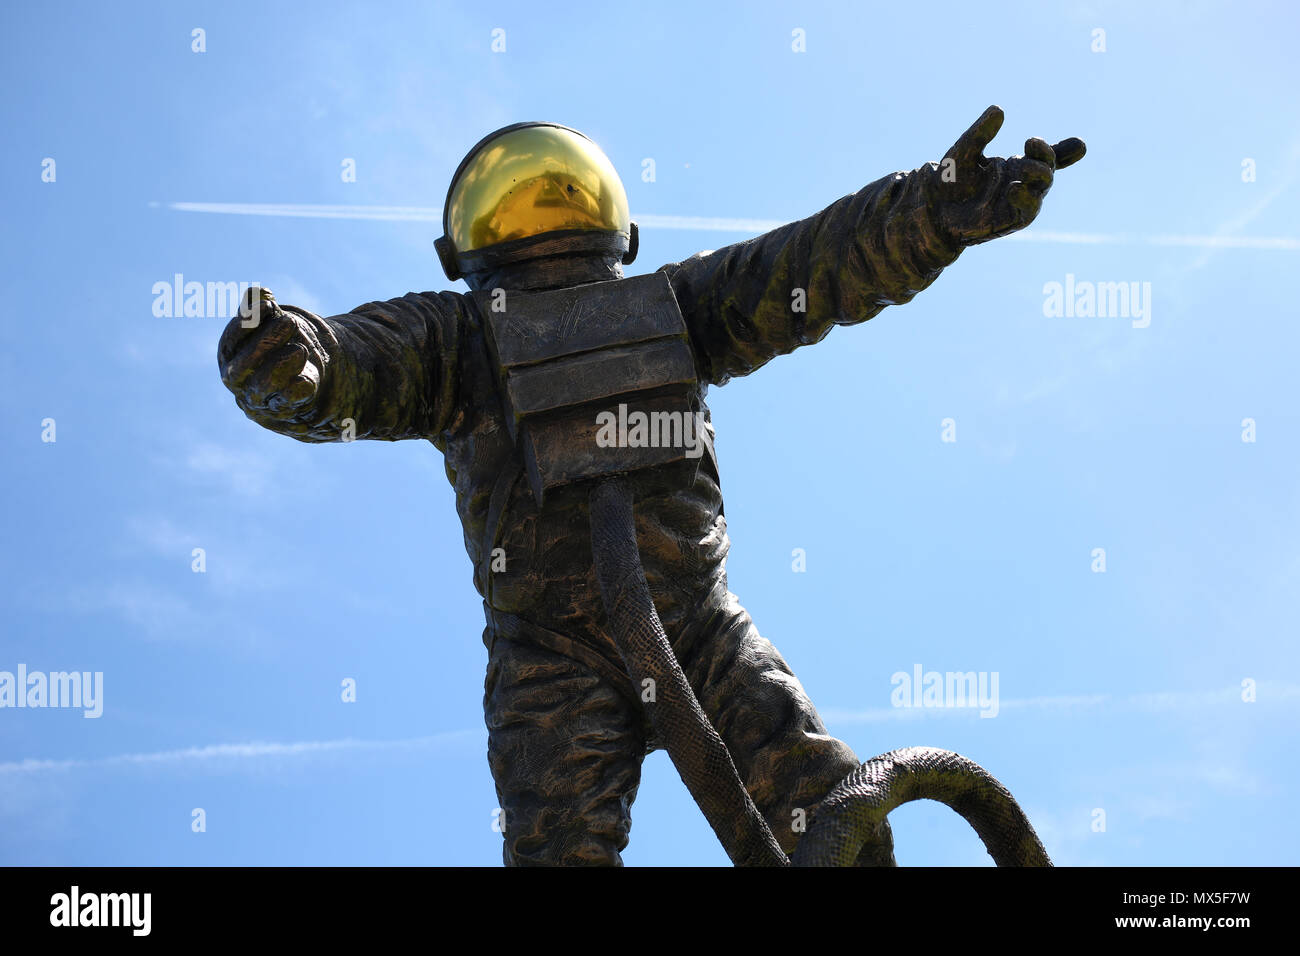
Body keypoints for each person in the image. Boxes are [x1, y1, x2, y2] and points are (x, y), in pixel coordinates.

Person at [218, 110, 1084, 865]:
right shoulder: (456, 339)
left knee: (825, 815)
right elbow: (351, 358)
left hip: (695, 620)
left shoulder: (681, 303)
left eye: (558, 190)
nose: (540, 210)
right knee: (558, 851)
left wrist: (929, 212)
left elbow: (812, 266)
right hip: (548, 653)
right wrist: (290, 361)